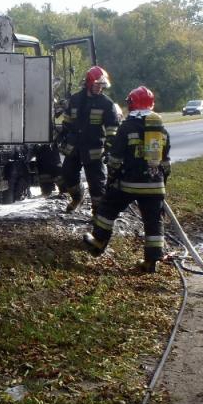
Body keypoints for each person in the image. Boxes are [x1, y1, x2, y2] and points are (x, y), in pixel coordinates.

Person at [82, 85, 171, 273]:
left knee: (108, 207)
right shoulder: (161, 130)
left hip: (129, 183)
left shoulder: (127, 127)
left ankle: (98, 241)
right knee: (154, 221)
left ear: (132, 104)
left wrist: (112, 178)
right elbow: (166, 163)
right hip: (155, 185)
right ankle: (151, 262)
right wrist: (160, 184)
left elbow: (115, 159)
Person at [55, 65, 122, 213]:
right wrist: (62, 137)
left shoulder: (106, 103)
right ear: (89, 83)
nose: (99, 88)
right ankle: (77, 197)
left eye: (102, 86)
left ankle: (98, 213)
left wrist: (110, 146)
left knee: (97, 183)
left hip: (94, 149)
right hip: (74, 147)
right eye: (97, 85)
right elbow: (67, 122)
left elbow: (112, 128)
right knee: (68, 174)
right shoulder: (75, 99)